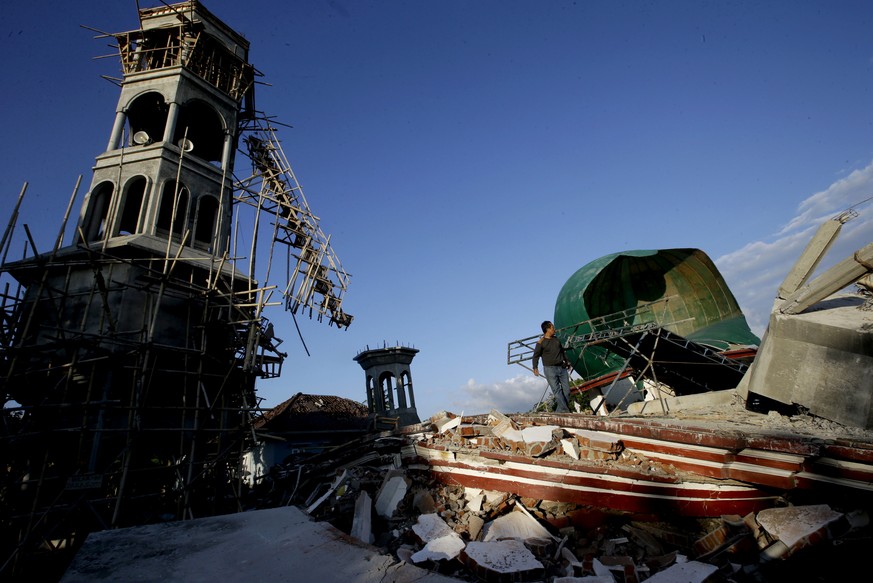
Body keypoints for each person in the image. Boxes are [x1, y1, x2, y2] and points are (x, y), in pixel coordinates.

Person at [532, 321, 572, 413]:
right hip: (550, 369)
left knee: (567, 391)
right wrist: (535, 368)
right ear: (548, 329)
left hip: (561, 368)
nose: (554, 329)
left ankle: (559, 411)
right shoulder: (541, 343)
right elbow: (536, 356)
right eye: (552, 327)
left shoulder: (556, 339)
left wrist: (567, 362)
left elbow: (562, 352)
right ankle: (566, 411)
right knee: (557, 391)